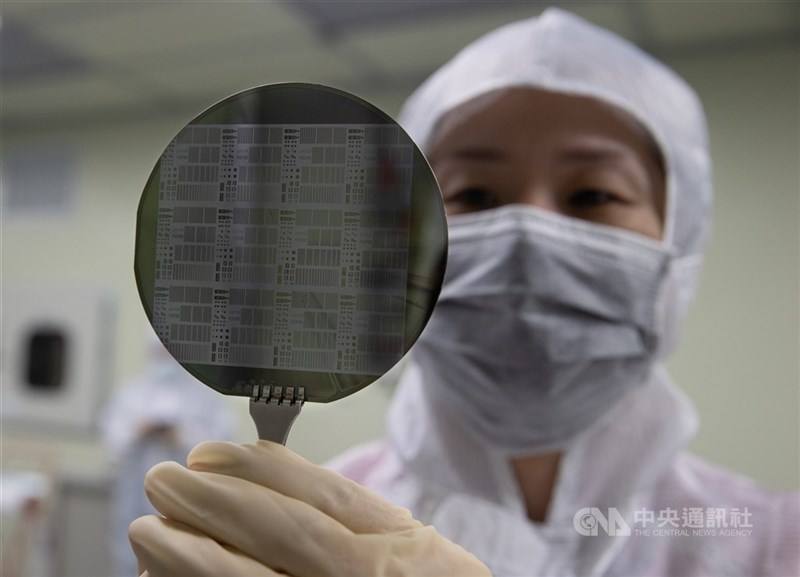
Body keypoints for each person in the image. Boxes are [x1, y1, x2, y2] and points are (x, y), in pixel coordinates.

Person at [127, 8, 799, 577]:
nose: (529, 236)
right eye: (474, 194)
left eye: (593, 194)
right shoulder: (313, 520)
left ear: (677, 244)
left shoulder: (769, 540)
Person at [101, 330, 234, 577]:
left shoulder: (204, 396)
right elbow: (112, 439)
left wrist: (180, 436)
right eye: (158, 351)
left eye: (168, 352)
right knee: (130, 556)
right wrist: (139, 431)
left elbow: (222, 445)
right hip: (133, 495)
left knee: (181, 559)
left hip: (185, 500)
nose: (163, 358)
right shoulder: (131, 394)